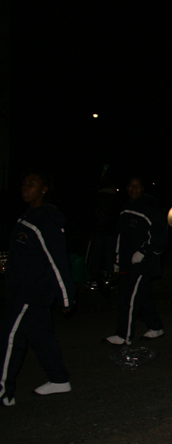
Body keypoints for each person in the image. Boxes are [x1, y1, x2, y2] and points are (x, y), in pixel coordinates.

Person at [0, 171, 76, 406]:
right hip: (23, 291)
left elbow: (56, 260)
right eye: (24, 183)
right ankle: (59, 379)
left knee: (9, 337)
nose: (25, 187)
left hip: (30, 293)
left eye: (32, 184)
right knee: (40, 335)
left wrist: (66, 297)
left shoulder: (45, 220)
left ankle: (3, 392)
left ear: (44, 189)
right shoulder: (29, 216)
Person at [105, 177, 167, 346]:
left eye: (137, 186)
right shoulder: (125, 209)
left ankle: (123, 335)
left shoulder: (150, 208)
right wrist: (117, 260)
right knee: (141, 297)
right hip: (127, 262)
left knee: (127, 298)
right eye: (131, 186)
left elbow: (160, 237)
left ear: (142, 188)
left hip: (142, 263)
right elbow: (120, 237)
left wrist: (143, 251)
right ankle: (156, 327)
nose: (134, 189)